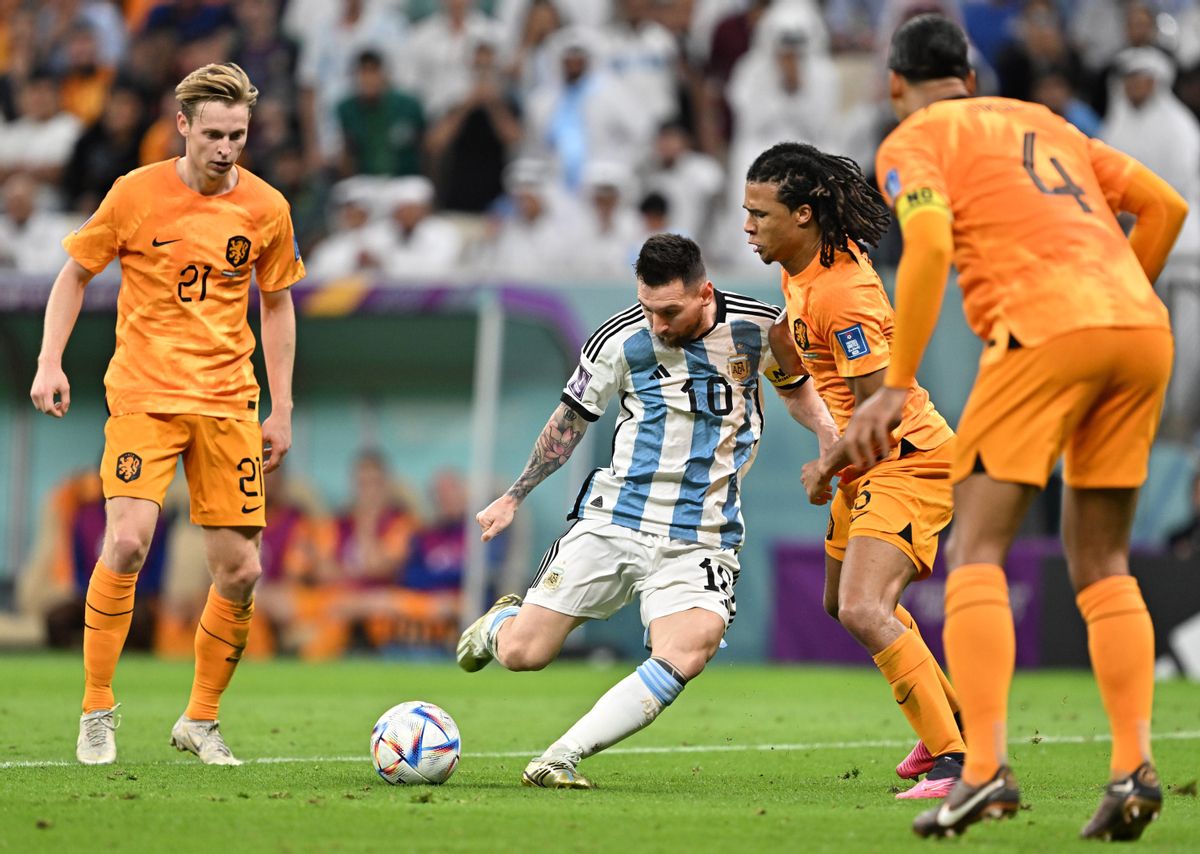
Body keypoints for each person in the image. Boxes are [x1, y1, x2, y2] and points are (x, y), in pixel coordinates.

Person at [841, 14, 1186, 840]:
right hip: (1141, 333)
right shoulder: (1044, 121)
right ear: (973, 73)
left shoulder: (913, 140)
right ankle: (1133, 767)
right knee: (1103, 561)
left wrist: (894, 388)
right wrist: (1111, 306)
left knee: (977, 552)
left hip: (1039, 331)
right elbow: (1165, 207)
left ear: (896, 84)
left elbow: (924, 247)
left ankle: (986, 770)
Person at [457, 233, 839, 788]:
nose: (657, 324)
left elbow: (796, 387)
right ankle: (499, 627)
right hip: (616, 519)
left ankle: (560, 756)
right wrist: (515, 495)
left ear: (705, 292)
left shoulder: (761, 326)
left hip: (702, 533)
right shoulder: (617, 339)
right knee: (525, 653)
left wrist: (829, 436)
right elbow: (568, 425)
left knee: (690, 648)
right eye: (648, 309)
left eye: (669, 311)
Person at [29, 62, 305, 766]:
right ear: (182, 124)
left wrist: (282, 407)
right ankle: (96, 708)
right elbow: (74, 274)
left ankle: (200, 720)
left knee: (241, 571)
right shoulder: (134, 193)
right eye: (213, 133)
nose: (225, 148)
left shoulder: (267, 207)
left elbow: (277, 304)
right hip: (145, 397)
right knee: (126, 542)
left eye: (237, 135)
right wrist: (49, 361)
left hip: (226, 403)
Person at [743, 141, 965, 800]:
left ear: (805, 214)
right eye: (746, 211)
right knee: (842, 604)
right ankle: (947, 717)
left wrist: (822, 466)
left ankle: (957, 765)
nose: (748, 227)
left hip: (906, 460)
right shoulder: (802, 268)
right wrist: (785, 361)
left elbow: (879, 410)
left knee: (866, 607)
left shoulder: (844, 293)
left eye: (760, 214)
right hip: (865, 468)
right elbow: (808, 371)